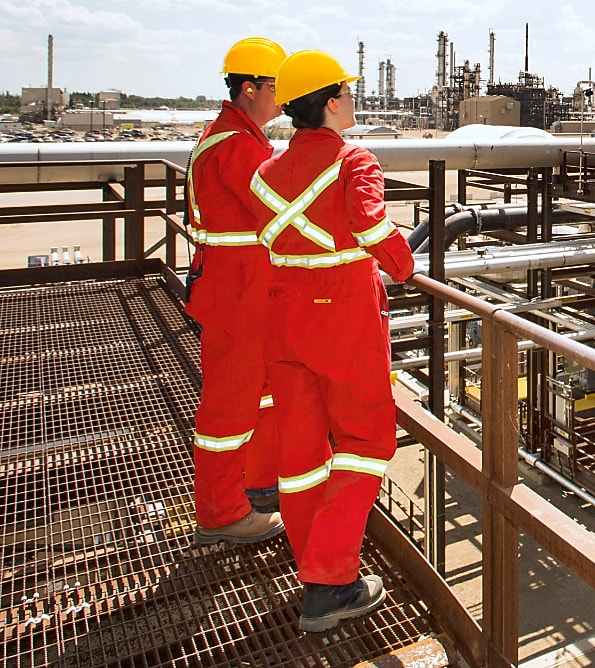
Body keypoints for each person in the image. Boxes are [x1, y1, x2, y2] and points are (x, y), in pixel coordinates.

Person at [251, 49, 417, 632]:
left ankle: (311, 562)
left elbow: (265, 235)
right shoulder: (354, 160)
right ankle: (330, 581)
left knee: (299, 454)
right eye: (346, 91)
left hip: (283, 313)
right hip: (342, 313)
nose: (353, 99)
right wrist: (403, 265)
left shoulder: (266, 171)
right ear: (327, 102)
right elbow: (373, 226)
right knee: (367, 441)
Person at [186, 37, 288, 544]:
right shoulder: (237, 146)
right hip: (237, 296)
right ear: (249, 89)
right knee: (229, 407)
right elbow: (279, 212)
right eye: (276, 87)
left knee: (259, 395)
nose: (283, 96)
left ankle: (258, 485)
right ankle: (222, 512)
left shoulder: (234, 135)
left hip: (242, 290)